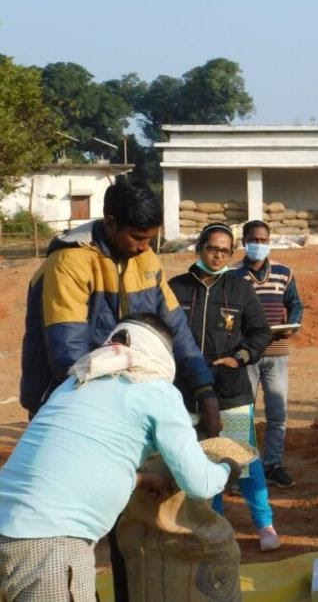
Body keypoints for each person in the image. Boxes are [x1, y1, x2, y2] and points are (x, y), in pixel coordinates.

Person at [0, 314, 239, 602]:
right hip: (49, 545)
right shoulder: (156, 391)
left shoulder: (75, 383)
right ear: (162, 353)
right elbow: (198, 483)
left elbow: (79, 461)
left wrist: (143, 479)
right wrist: (227, 469)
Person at [21, 176, 222, 437]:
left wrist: (204, 389)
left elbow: (176, 329)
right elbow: (70, 355)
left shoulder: (147, 260)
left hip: (124, 402)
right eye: (137, 238)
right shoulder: (69, 263)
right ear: (110, 222)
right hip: (68, 403)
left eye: (150, 239)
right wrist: (113, 409)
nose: (144, 248)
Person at [169, 223, 279, 552]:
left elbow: (260, 331)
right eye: (212, 248)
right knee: (200, 459)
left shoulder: (239, 289)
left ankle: (265, 524)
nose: (218, 255)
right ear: (199, 247)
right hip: (186, 391)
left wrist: (241, 357)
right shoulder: (175, 288)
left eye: (225, 250)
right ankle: (216, 523)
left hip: (230, 390)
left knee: (242, 458)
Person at [234, 219, 305, 489]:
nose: (259, 245)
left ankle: (273, 464)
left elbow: (295, 304)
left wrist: (294, 326)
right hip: (246, 354)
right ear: (244, 242)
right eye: (254, 240)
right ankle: (241, 468)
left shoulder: (284, 273)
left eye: (263, 240)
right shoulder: (232, 276)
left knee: (278, 412)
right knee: (242, 414)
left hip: (276, 352)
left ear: (270, 241)